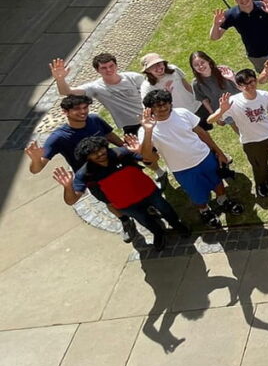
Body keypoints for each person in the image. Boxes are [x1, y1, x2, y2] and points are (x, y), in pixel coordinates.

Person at [25, 95, 140, 243]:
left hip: (115, 165)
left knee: (133, 188)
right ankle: (125, 220)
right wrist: (35, 159)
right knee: (111, 202)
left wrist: (125, 148)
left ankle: (145, 207)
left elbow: (109, 135)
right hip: (93, 177)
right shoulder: (59, 137)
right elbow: (36, 169)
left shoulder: (94, 119)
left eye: (85, 107)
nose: (83, 112)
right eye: (77, 109)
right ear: (65, 112)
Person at [52, 137, 189, 251]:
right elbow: (71, 200)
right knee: (144, 220)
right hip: (126, 204)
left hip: (148, 192)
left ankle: (177, 225)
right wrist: (68, 187)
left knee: (165, 209)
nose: (100, 154)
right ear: (87, 157)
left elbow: (151, 160)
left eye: (101, 149)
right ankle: (158, 233)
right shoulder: (85, 173)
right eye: (94, 153)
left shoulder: (121, 153)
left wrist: (139, 151)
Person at [139, 90, 243, 228]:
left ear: (170, 103)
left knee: (217, 181)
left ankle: (222, 200)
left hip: (205, 157)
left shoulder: (182, 113)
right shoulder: (145, 131)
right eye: (157, 106)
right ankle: (204, 210)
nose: (163, 108)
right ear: (150, 108)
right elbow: (147, 156)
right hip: (182, 169)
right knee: (196, 193)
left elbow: (201, 133)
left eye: (165, 104)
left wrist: (219, 152)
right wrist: (148, 131)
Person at [207, 68, 268, 198]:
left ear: (255, 80)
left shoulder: (265, 95)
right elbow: (210, 120)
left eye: (251, 82)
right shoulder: (232, 102)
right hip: (251, 142)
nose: (249, 86)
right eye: (244, 84)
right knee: (259, 166)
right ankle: (262, 183)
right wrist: (221, 111)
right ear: (239, 87)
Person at [50, 53, 146, 136]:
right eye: (103, 68)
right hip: (131, 126)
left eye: (111, 66)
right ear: (97, 70)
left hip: (153, 118)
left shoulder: (134, 77)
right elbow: (66, 92)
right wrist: (60, 79)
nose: (108, 70)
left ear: (116, 66)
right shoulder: (95, 87)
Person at [140, 53, 208, 129]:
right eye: (153, 66)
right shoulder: (147, 86)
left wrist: (200, 99)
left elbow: (186, 85)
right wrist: (165, 95)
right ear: (148, 70)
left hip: (196, 107)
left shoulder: (174, 69)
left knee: (207, 128)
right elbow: (149, 108)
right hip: (180, 117)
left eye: (159, 63)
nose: (158, 67)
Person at [189, 51, 239, 133]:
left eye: (202, 62)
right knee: (241, 133)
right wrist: (215, 115)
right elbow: (204, 100)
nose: (200, 66)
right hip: (225, 112)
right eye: (196, 65)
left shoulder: (223, 70)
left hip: (240, 104)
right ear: (193, 68)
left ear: (208, 61)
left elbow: (240, 84)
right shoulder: (196, 83)